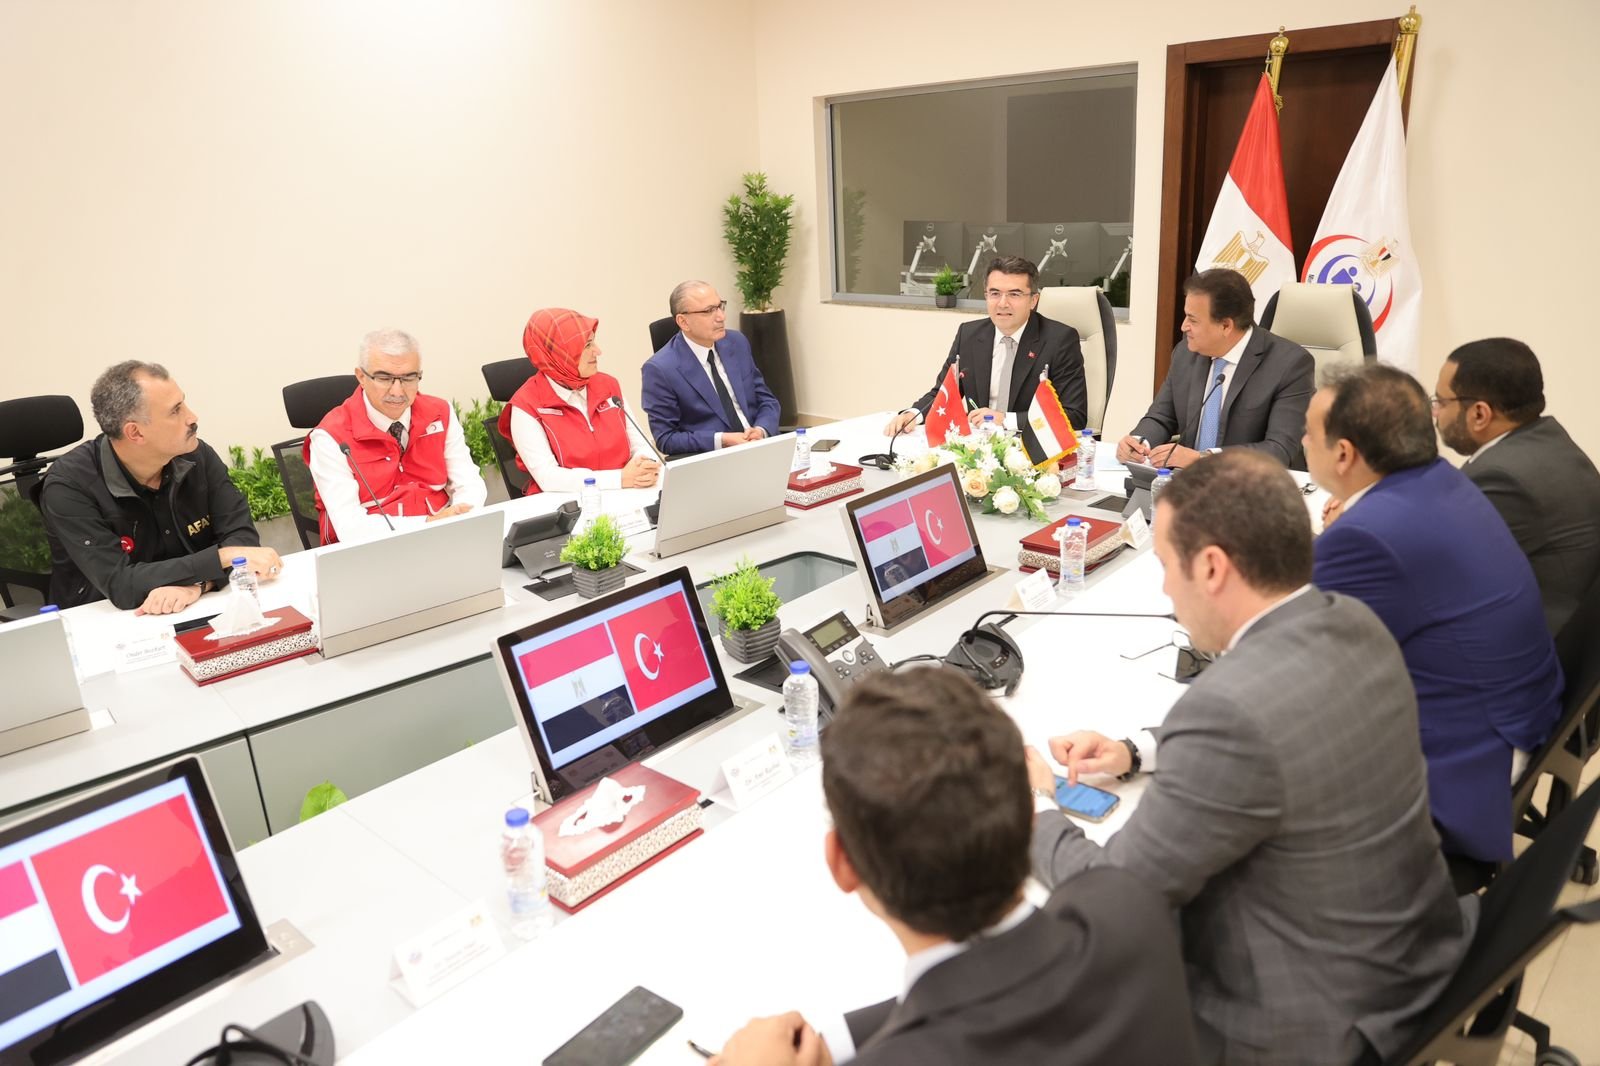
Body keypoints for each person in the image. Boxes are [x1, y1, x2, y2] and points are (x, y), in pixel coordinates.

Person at [1029, 450, 1469, 1066]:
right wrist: (1135, 750)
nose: (1164, 589)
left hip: (1305, 1022)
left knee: (1046, 993)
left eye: (1165, 566)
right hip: (1408, 957)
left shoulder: (1229, 712)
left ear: (1212, 567)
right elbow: (1286, 729)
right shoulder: (1353, 620)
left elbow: (1116, 894)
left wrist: (1030, 811)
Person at [715, 668, 1199, 1066]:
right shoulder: (1129, 905)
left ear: (842, 864)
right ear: (1026, 816)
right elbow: (989, 985)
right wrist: (836, 1041)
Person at [1305, 363, 1563, 872]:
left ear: (1343, 453)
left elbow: (1291, 661)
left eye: (1308, 432)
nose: (1301, 441)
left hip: (1461, 764)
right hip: (1516, 714)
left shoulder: (1367, 533)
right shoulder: (1439, 481)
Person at [40, 361, 279, 614]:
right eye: (175, 411)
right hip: (107, 622)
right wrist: (221, 558)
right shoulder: (69, 486)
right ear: (135, 433)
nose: (192, 417)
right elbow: (121, 584)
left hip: (198, 607)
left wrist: (198, 585)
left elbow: (242, 539)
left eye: (183, 403)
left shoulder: (196, 456)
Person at [1434, 337, 1600, 635]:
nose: (1435, 413)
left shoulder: (1501, 477)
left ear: (1480, 414)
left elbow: (1438, 569)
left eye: (1441, 402)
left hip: (1542, 644)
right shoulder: (1550, 440)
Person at [1115, 268, 1313, 469]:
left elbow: (1278, 449)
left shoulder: (1290, 364)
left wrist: (1203, 458)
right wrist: (1139, 442)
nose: (1183, 327)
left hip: (1255, 483)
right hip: (1188, 480)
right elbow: (1162, 417)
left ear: (1226, 326)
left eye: (1193, 320)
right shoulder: (1186, 353)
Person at [305, 328, 487, 545]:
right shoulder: (330, 437)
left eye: (409, 378)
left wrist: (459, 517)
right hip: (371, 551)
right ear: (361, 377)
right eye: (384, 378)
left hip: (447, 538)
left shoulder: (440, 412)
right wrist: (430, 524)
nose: (398, 391)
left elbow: (470, 483)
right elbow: (351, 527)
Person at [882, 255, 1087, 439]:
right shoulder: (969, 335)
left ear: (1033, 300)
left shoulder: (1059, 340)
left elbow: (1074, 415)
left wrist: (1005, 419)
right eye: (995, 293)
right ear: (986, 296)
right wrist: (912, 414)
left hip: (1032, 447)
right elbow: (943, 393)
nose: (1003, 303)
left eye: (1014, 294)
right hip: (978, 446)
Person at [498, 308, 659, 494]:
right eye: (587, 345)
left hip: (626, 493)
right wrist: (619, 479)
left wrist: (645, 464)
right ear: (559, 353)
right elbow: (548, 477)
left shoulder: (608, 385)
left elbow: (640, 444)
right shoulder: (526, 406)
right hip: (568, 504)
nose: (598, 351)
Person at [641, 281, 781, 455]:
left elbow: (767, 400)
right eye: (709, 311)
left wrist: (761, 430)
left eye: (720, 306)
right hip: (714, 457)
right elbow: (666, 439)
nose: (721, 317)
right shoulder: (659, 369)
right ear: (683, 322)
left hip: (760, 446)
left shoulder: (736, 343)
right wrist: (722, 440)